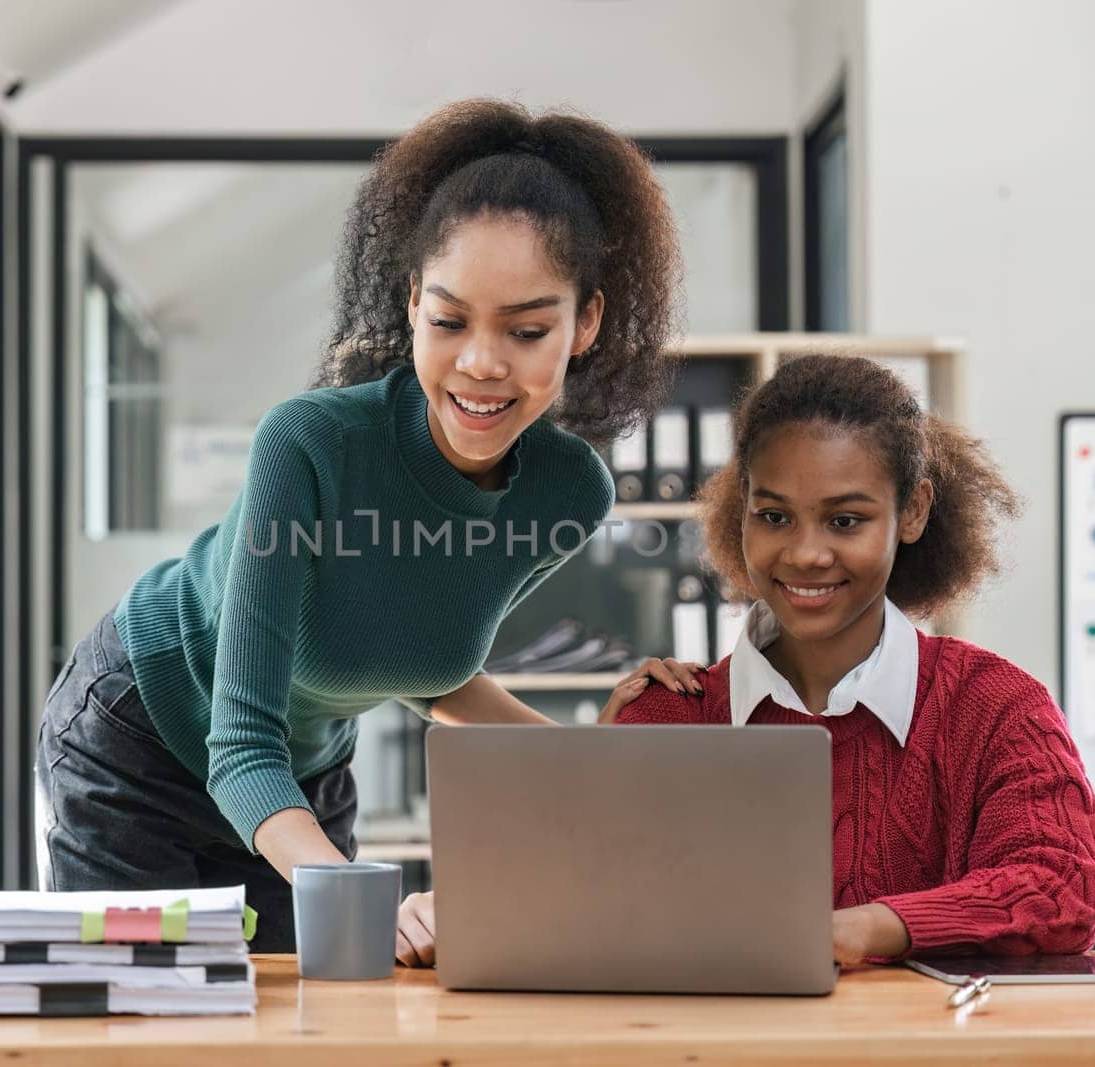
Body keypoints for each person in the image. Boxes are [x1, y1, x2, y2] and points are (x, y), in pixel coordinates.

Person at [35, 98, 683, 953]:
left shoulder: (568, 497)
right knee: (157, 1018)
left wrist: (606, 757)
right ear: (413, 304)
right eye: (450, 319)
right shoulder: (309, 444)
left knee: (327, 1016)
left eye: (527, 329)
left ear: (585, 323)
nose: (482, 363)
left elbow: (422, 661)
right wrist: (364, 897)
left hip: (300, 769)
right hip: (142, 729)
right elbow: (239, 743)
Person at [393, 354, 1095, 969]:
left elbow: (1062, 884)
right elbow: (572, 907)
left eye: (845, 519)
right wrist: (449, 909)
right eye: (774, 515)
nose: (804, 553)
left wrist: (860, 928)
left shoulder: (994, 706)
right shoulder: (668, 714)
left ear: (913, 512)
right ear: (741, 512)